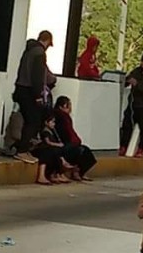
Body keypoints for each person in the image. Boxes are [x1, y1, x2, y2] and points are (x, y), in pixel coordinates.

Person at [13, 30, 54, 165]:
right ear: (47, 41)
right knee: (34, 120)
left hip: (20, 88)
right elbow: (37, 75)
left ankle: (24, 147)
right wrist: (38, 95)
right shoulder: (39, 53)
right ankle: (22, 150)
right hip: (29, 91)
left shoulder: (28, 50)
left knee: (28, 119)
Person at [54, 96, 97, 181]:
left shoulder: (65, 117)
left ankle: (79, 171)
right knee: (81, 151)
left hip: (70, 142)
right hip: (64, 143)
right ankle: (77, 172)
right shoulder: (60, 117)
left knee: (85, 151)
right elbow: (66, 132)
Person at [32, 111, 73, 185]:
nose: (54, 124)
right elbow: (48, 142)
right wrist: (58, 144)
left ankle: (57, 173)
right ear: (46, 122)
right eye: (52, 122)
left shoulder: (53, 131)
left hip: (48, 148)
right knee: (52, 152)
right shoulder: (45, 131)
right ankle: (53, 172)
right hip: (41, 148)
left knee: (59, 151)